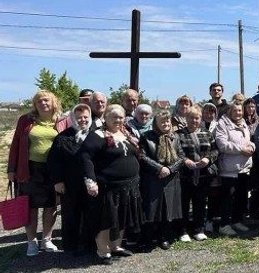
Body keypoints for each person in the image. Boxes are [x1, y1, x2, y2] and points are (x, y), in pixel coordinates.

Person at [7, 90, 68, 256]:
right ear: (35, 104)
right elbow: (15, 145)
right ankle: (31, 242)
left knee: (51, 206)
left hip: (53, 171)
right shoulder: (25, 120)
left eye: (46, 100)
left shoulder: (62, 121)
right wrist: (11, 169)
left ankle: (46, 239)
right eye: (39, 101)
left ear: (53, 102)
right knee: (30, 207)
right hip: (29, 169)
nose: (43, 103)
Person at [79, 104, 142, 264]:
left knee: (122, 217)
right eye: (114, 116)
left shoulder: (125, 133)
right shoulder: (97, 135)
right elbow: (86, 158)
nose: (118, 120)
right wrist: (90, 181)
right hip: (108, 186)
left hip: (128, 185)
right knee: (107, 220)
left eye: (121, 117)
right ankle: (103, 250)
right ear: (105, 117)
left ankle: (116, 246)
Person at [47, 103, 92, 255]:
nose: (83, 120)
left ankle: (89, 244)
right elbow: (54, 161)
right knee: (71, 214)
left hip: (92, 183)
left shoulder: (96, 134)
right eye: (79, 117)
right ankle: (71, 245)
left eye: (86, 117)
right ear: (72, 118)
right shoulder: (62, 137)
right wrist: (57, 181)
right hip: (70, 183)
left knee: (90, 213)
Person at [138, 110, 184, 251]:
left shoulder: (174, 137)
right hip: (153, 179)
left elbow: (181, 156)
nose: (165, 124)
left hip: (170, 179)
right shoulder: (147, 137)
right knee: (151, 211)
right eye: (162, 121)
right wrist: (159, 168)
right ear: (156, 123)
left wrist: (170, 169)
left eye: (167, 121)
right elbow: (142, 156)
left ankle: (164, 237)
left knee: (167, 211)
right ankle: (148, 238)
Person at [177, 105, 219, 242]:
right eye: (191, 118)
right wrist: (185, 161)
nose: (194, 120)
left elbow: (215, 150)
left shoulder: (206, 133)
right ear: (186, 118)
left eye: (197, 118)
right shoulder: (179, 134)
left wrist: (208, 159)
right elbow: (176, 152)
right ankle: (183, 230)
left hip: (203, 174)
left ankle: (198, 229)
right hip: (185, 175)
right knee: (183, 203)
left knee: (200, 203)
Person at [215, 103, 255, 236]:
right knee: (227, 198)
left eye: (240, 110)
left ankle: (237, 220)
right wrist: (241, 149)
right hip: (229, 169)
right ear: (229, 111)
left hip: (244, 168)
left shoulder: (243, 123)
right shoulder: (222, 124)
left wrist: (252, 147)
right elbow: (222, 144)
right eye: (235, 110)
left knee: (241, 197)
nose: (238, 113)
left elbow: (247, 141)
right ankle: (224, 224)